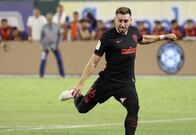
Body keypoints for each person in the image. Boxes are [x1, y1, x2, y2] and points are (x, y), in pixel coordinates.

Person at [59, 7, 176, 135]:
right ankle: (75, 95)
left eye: (126, 21)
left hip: (126, 83)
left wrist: (164, 36)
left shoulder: (134, 32)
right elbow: (93, 61)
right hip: (107, 81)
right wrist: (81, 84)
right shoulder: (106, 37)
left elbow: (143, 39)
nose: (123, 24)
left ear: (130, 20)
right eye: (120, 20)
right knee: (82, 108)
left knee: (133, 108)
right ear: (115, 20)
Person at [39, 13, 65, 78]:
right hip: (46, 46)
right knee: (43, 59)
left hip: (55, 46)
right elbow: (41, 38)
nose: (49, 19)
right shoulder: (44, 27)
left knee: (59, 59)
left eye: (50, 18)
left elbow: (59, 36)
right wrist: (42, 46)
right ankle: (41, 75)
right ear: (46, 19)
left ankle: (62, 75)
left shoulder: (56, 26)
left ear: (52, 18)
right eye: (48, 18)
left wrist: (58, 45)